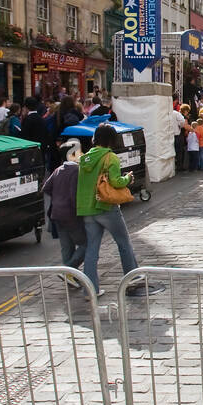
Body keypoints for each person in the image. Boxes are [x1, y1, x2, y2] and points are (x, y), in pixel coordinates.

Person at [76, 124, 144, 296]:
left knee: (92, 250)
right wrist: (127, 178)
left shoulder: (85, 158)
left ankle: (90, 290)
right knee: (123, 243)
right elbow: (115, 181)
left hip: (87, 209)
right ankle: (132, 279)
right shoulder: (110, 157)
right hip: (105, 206)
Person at [43, 142, 88, 272]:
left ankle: (70, 277)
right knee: (87, 244)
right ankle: (69, 270)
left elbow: (46, 188)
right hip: (71, 214)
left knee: (67, 247)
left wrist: (58, 197)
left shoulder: (58, 170)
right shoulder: (77, 171)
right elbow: (75, 195)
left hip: (57, 214)